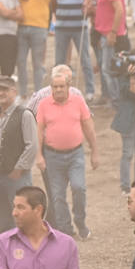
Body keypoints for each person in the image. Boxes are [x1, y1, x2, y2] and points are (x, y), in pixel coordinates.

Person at [36, 76, 97, 240]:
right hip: (52, 157)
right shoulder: (43, 105)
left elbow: (89, 128)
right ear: (51, 87)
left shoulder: (78, 102)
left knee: (79, 188)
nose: (58, 90)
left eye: (61, 86)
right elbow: (39, 131)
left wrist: (94, 152)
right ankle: (65, 230)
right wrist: (39, 156)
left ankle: (80, 222)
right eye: (55, 87)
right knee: (57, 196)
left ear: (68, 86)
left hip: (75, 155)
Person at [0, 76, 37, 233]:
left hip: (17, 177)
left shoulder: (25, 114)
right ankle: (10, 256)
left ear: (14, 92)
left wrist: (19, 169)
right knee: (4, 222)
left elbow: (32, 145)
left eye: (5, 89)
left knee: (23, 220)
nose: (1, 93)